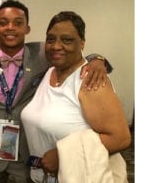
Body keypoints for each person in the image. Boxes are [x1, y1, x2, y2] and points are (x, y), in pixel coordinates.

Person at [0, 0, 112, 183]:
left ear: (27, 28)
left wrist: (97, 59)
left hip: (27, 151)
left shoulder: (44, 53)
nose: (10, 28)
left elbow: (73, 50)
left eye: (18, 23)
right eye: (3, 23)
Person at [21, 11, 131, 183]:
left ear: (82, 43)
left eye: (67, 40)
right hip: (40, 177)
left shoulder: (91, 82)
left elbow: (121, 138)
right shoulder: (49, 71)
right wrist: (98, 57)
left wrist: (62, 156)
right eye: (51, 39)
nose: (56, 46)